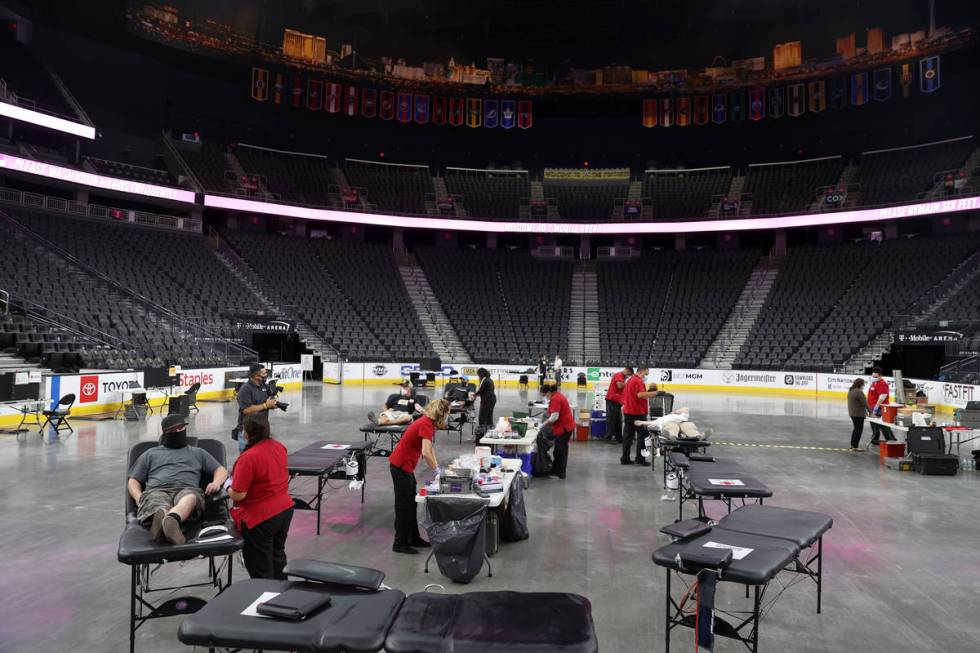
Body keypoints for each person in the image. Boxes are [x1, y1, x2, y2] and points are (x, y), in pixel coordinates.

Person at [127, 414, 228, 545]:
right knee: (156, 502)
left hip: (187, 489)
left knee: (190, 498)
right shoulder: (150, 454)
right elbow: (133, 480)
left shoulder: (198, 452)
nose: (178, 432)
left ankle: (171, 520)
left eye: (181, 429)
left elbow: (221, 470)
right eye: (174, 431)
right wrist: (138, 496)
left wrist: (216, 483)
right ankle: (162, 516)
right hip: (157, 490)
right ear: (165, 434)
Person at [228, 418, 294, 579]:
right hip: (284, 510)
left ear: (247, 433)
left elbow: (239, 494)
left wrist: (227, 488)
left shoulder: (249, 457)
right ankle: (282, 597)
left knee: (260, 566)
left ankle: (265, 599)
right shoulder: (279, 447)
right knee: (277, 556)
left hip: (261, 518)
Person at [389, 399, 449, 554]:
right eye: (448, 413)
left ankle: (413, 538)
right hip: (400, 466)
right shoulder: (426, 424)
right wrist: (436, 470)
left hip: (406, 467)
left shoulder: (429, 423)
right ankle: (400, 543)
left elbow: (430, 450)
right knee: (403, 506)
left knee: (412, 503)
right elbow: (426, 453)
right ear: (442, 414)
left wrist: (438, 469)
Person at [236, 363, 279, 453]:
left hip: (262, 430)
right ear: (256, 376)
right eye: (264, 374)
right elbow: (246, 409)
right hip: (248, 432)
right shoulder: (245, 389)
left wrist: (272, 404)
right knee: (247, 458)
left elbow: (268, 401)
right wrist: (265, 405)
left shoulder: (264, 386)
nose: (266, 375)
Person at [620, 367, 659, 465]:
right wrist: (654, 393)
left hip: (628, 411)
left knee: (628, 437)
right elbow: (640, 395)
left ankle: (625, 459)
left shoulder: (630, 380)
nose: (645, 377)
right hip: (637, 413)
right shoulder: (638, 381)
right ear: (641, 371)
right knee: (643, 436)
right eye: (645, 374)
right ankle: (640, 459)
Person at [540, 381, 576, 479]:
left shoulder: (555, 399)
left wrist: (542, 425)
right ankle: (556, 470)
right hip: (564, 427)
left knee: (561, 451)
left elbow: (554, 417)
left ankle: (560, 473)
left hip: (564, 428)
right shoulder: (557, 395)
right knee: (558, 450)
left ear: (548, 392)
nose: (546, 397)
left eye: (545, 395)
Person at [634, 407, 711, 439]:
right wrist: (641, 422)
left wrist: (675, 412)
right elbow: (653, 422)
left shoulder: (682, 415)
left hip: (683, 422)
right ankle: (672, 437)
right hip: (670, 422)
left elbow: (686, 408)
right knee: (672, 427)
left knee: (689, 426)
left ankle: (698, 436)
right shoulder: (664, 418)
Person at [605, 366, 632, 444]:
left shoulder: (623, 377)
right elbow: (619, 385)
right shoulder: (619, 375)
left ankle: (619, 438)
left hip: (617, 401)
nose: (628, 376)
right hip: (612, 400)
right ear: (626, 370)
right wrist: (629, 384)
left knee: (618, 421)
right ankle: (608, 438)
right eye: (628, 374)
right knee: (611, 420)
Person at [867, 367, 895, 444]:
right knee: (873, 424)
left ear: (880, 376)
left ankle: (891, 440)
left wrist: (876, 407)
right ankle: (875, 438)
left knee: (883, 425)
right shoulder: (874, 382)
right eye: (873, 376)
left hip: (879, 408)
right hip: (871, 407)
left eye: (875, 377)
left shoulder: (882, 383)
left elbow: (882, 396)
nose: (874, 378)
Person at [847, 378, 869, 452]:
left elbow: (858, 403)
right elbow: (865, 403)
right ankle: (855, 446)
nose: (864, 385)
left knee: (856, 429)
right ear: (860, 384)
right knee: (858, 430)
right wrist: (871, 412)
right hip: (858, 414)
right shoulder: (859, 392)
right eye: (863, 384)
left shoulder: (851, 391)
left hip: (853, 413)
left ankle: (853, 445)